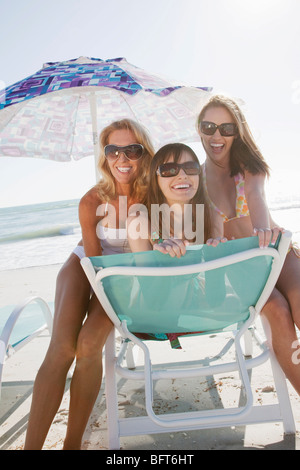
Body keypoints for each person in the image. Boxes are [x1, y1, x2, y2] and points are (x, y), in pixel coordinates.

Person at [24, 119, 155, 450]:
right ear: (104, 155)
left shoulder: (156, 193)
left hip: (123, 275)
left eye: (132, 150)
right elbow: (93, 264)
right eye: (113, 150)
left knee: (88, 344)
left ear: (145, 153)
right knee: (62, 348)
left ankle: (72, 444)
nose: (121, 159)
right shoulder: (91, 200)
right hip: (85, 266)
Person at [197, 94, 300, 395]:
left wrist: (262, 229)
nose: (217, 135)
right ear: (199, 129)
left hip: (274, 248)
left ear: (237, 132)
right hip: (240, 265)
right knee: (279, 313)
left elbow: (255, 195)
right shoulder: (193, 178)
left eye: (226, 129)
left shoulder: (247, 164)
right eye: (209, 126)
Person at [127, 142, 226, 257]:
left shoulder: (212, 219)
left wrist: (220, 257)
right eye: (170, 170)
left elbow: (215, 275)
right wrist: (159, 256)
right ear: (156, 179)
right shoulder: (140, 222)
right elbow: (144, 274)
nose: (183, 175)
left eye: (191, 168)